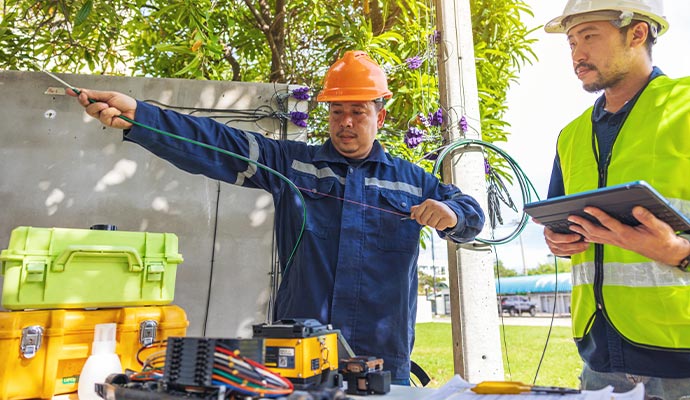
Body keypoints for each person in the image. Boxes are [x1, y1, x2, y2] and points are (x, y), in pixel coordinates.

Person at [68, 50, 485, 384]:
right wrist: (142, 117)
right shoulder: (292, 164)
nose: (346, 123)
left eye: (358, 111)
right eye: (337, 112)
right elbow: (219, 144)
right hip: (297, 349)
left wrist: (451, 213)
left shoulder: (412, 182)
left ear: (382, 115)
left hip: (380, 355)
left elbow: (471, 213)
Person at [541, 0, 690, 397]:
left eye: (589, 36)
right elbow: (562, 228)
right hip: (599, 362)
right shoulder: (571, 136)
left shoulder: (685, 108)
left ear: (637, 33)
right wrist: (559, 241)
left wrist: (677, 251)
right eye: (571, 42)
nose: (577, 54)